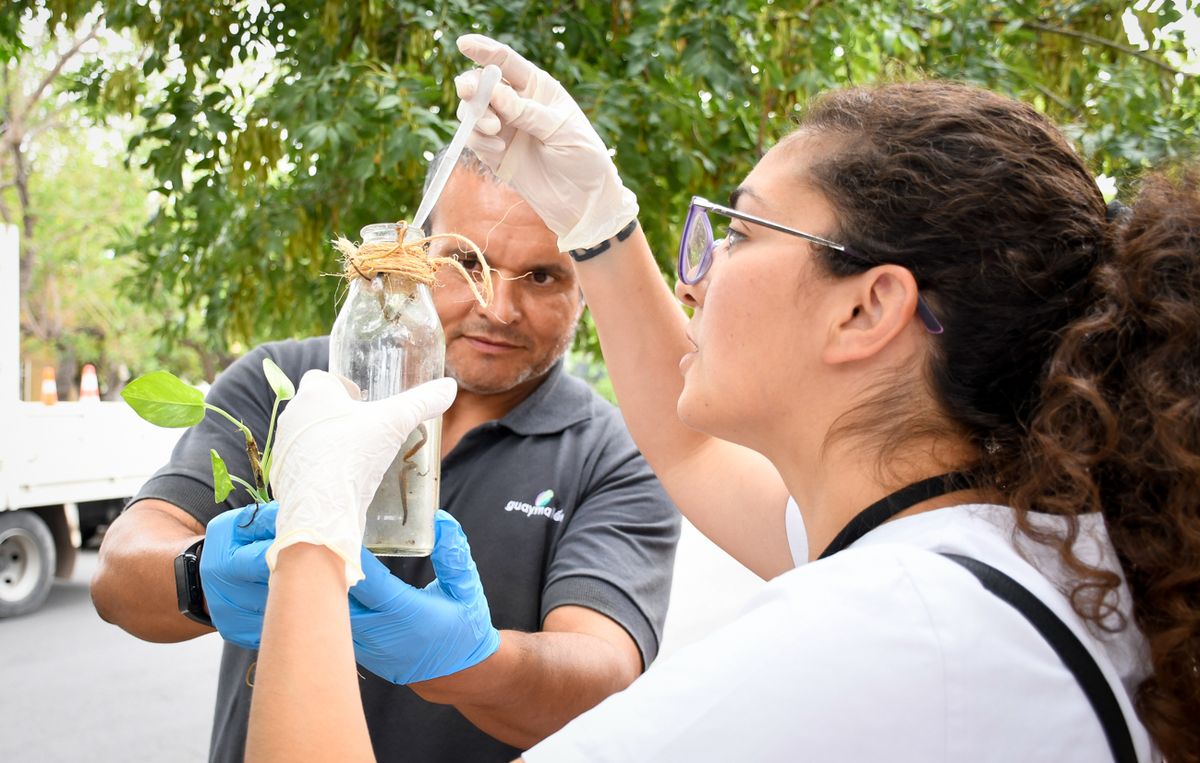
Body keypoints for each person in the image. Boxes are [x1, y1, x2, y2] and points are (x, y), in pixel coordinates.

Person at [241, 35, 1200, 763]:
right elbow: (692, 453)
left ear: (867, 307)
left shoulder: (860, 643)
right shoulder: (1022, 547)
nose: (696, 276)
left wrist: (315, 542)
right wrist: (598, 222)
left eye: (735, 230)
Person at [89, 146, 681, 762]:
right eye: (466, 262)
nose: (497, 309)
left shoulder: (616, 456)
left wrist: (471, 661)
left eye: (542, 276)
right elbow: (119, 576)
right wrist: (203, 579)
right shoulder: (289, 385)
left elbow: (606, 674)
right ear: (415, 253)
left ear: (585, 292)